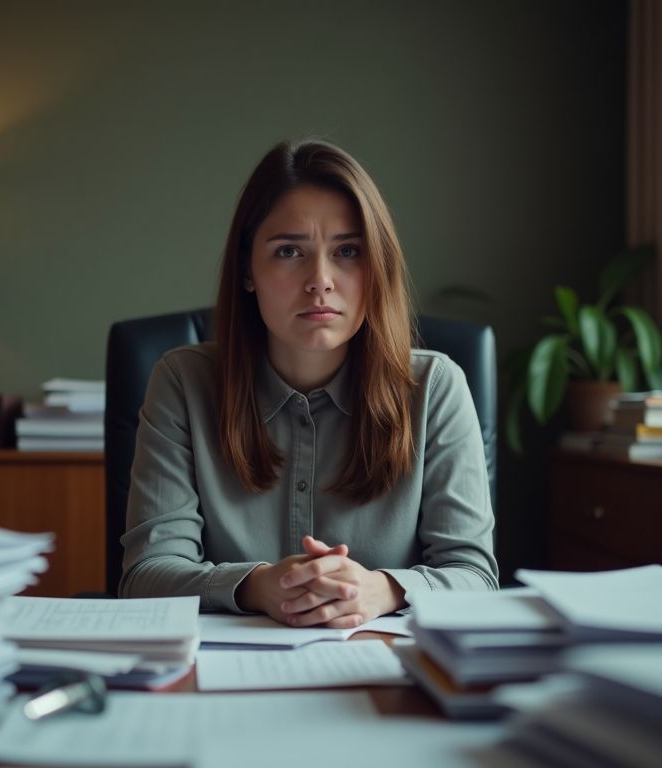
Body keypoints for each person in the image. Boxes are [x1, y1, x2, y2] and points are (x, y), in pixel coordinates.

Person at [119, 139, 498, 628]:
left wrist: (379, 590)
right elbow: (146, 575)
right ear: (247, 271)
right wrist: (257, 585)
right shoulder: (183, 383)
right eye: (290, 250)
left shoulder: (435, 386)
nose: (320, 280)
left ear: (376, 268)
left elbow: (474, 575)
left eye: (347, 251)